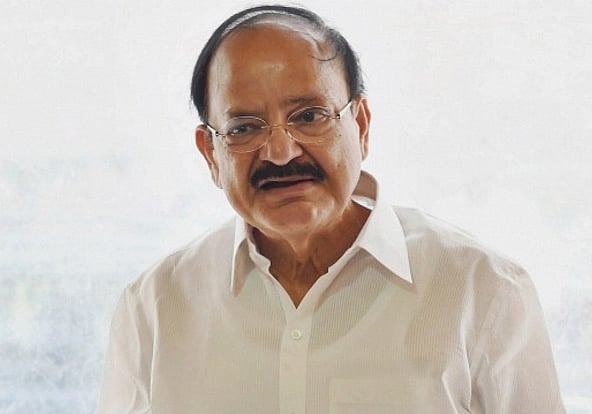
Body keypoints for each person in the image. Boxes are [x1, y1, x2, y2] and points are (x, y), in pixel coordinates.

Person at [96, 4, 566, 413]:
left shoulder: (483, 291)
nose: (281, 152)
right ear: (210, 153)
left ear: (361, 124)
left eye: (309, 116)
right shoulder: (154, 309)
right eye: (244, 128)